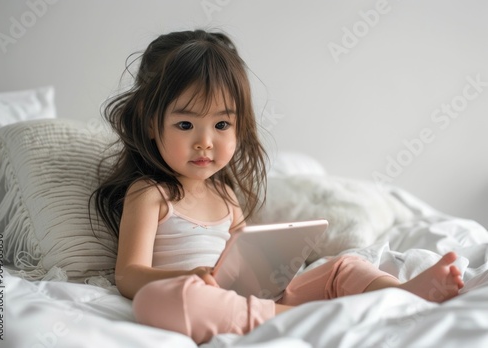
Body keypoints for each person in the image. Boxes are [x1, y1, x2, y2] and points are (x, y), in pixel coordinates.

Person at [92, 29, 464, 344]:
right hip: (201, 298)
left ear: (240, 127)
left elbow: (244, 259)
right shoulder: (150, 193)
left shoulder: (224, 196)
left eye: (221, 125)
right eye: (186, 125)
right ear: (149, 122)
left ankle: (399, 297)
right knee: (158, 302)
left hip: (256, 297)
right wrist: (184, 276)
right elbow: (128, 275)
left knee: (342, 266)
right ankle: (299, 318)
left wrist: (274, 263)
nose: (205, 142)